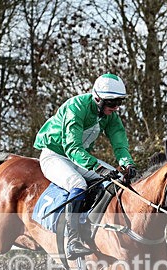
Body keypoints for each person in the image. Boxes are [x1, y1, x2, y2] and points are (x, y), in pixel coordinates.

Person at [33, 73, 137, 259]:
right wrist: (98, 168)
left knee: (119, 180)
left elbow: (119, 142)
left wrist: (127, 163)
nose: (116, 108)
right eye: (112, 103)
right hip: (55, 156)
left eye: (119, 102)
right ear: (98, 98)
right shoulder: (76, 107)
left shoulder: (109, 115)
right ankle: (72, 241)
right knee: (78, 184)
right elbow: (72, 148)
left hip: (79, 158)